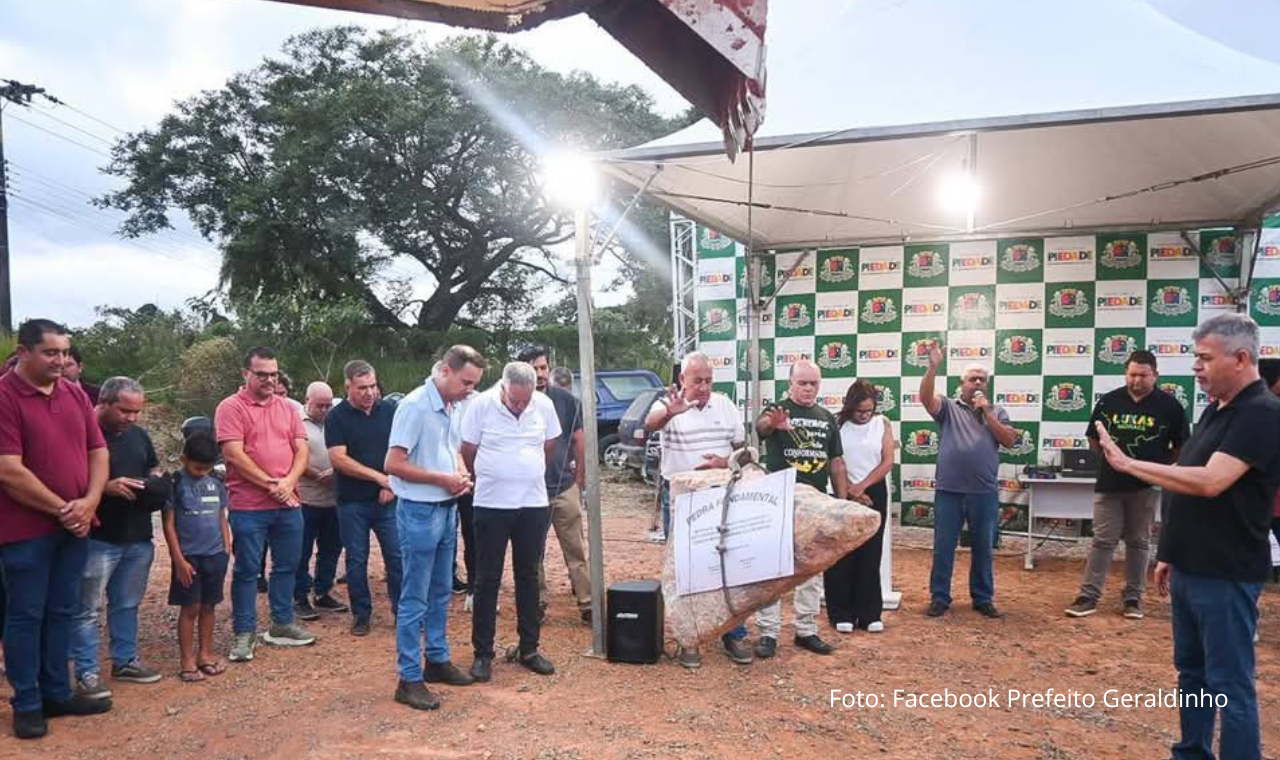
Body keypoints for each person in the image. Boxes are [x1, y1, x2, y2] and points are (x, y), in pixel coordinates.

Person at [1094, 313, 1280, 760]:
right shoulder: (1216, 409)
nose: (1195, 367)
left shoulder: (1262, 413)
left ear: (1240, 359)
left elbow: (1210, 481)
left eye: (1204, 358)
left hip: (1226, 572)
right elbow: (1185, 478)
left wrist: (1130, 464)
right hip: (1191, 566)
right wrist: (1170, 551)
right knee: (1192, 675)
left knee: (1229, 684)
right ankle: (1192, 752)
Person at [0, 319, 112, 739]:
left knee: (62, 610)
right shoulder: (5, 396)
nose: (61, 361)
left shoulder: (74, 393)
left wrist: (90, 502)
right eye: (51, 352)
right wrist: (64, 508)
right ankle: (27, 703)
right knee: (26, 614)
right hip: (24, 529)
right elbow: (8, 470)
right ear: (24, 350)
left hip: (76, 527)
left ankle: (56, 692)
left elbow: (97, 450)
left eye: (65, 353)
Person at [385, 346, 485, 711]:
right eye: (466, 382)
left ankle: (437, 659)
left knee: (443, 590)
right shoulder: (413, 407)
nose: (469, 390)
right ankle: (409, 678)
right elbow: (393, 463)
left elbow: (454, 448)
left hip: (445, 510)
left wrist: (459, 473)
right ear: (445, 370)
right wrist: (441, 479)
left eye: (474, 384)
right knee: (415, 596)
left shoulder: (452, 406)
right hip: (419, 512)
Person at [643, 352, 750, 667]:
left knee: (729, 565)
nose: (703, 387)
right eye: (697, 380)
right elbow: (649, 427)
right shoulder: (668, 404)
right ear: (682, 380)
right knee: (684, 568)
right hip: (680, 499)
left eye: (708, 381)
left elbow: (743, 453)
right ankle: (689, 639)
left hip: (721, 498)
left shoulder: (726, 406)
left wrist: (725, 462)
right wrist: (669, 415)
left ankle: (734, 633)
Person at [1066, 350, 1188, 620]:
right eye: (1132, 374)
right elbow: (1093, 440)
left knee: (1138, 542)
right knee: (1102, 541)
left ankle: (1134, 598)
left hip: (1145, 486)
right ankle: (1088, 596)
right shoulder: (1109, 401)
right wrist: (1113, 462)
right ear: (1125, 373)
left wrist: (1156, 468)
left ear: (1155, 375)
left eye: (1143, 375)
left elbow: (1181, 446)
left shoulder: (1170, 406)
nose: (1136, 380)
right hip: (1109, 485)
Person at [215, 346, 317, 664]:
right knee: (247, 570)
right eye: (262, 374)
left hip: (289, 503)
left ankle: (282, 623)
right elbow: (234, 454)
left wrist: (287, 484)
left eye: (273, 374)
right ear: (246, 374)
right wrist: (272, 485)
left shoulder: (288, 407)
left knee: (287, 566)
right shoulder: (230, 408)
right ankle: (244, 632)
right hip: (249, 505)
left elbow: (302, 450)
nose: (269, 379)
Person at [461, 362, 561, 683]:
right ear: (502, 388)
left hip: (532, 504)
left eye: (525, 400)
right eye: (515, 400)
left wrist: (528, 471)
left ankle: (529, 648)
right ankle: (483, 654)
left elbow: (549, 445)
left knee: (528, 576)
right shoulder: (480, 406)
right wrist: (489, 477)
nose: (520, 406)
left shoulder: (543, 405)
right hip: (491, 504)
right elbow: (468, 450)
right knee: (487, 579)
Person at [70, 377, 166, 699]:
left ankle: (124, 660)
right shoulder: (83, 433)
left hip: (137, 536)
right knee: (87, 608)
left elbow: (153, 467)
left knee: (126, 604)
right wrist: (105, 488)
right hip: (98, 537)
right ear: (104, 402)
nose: (132, 418)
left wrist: (154, 482)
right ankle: (86, 672)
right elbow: (67, 480)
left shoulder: (138, 435)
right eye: (125, 410)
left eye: (137, 411)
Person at [753, 359, 847, 659]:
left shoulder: (827, 417)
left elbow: (836, 462)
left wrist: (841, 502)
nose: (808, 389)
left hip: (816, 502)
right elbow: (760, 428)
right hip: (779, 499)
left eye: (813, 384)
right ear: (790, 383)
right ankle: (768, 632)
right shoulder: (777, 409)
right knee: (772, 568)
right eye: (802, 383)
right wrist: (773, 423)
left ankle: (806, 630)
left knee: (811, 567)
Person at [918, 346, 1018, 619]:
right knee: (943, 547)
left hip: (983, 492)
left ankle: (982, 598)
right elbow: (926, 399)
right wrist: (932, 368)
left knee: (984, 548)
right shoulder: (949, 408)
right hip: (949, 490)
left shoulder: (997, 411)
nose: (976, 383)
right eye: (971, 379)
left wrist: (988, 413)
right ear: (961, 384)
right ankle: (940, 597)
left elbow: (1008, 440)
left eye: (981, 380)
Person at [517, 347, 592, 626]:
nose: (540, 374)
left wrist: (580, 479)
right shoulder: (514, 400)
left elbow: (580, 440)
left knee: (575, 549)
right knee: (532, 552)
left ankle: (587, 604)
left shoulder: (565, 400)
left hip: (563, 486)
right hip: (529, 491)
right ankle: (536, 603)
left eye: (543, 367)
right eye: (534, 368)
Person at [327, 361, 402, 636]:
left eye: (372, 386)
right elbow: (339, 459)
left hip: (388, 499)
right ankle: (361, 614)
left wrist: (391, 483)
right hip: (352, 502)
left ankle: (401, 611)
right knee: (357, 559)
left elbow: (402, 449)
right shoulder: (337, 417)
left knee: (396, 556)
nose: (370, 392)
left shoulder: (390, 411)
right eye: (362, 388)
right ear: (348, 387)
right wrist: (378, 477)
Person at [161, 431, 232, 683]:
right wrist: (178, 559)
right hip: (189, 557)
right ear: (183, 458)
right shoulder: (175, 483)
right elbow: (169, 524)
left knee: (209, 605)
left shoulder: (216, 482)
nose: (201, 472)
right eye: (197, 466)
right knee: (190, 607)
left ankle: (205, 653)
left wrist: (225, 547)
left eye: (207, 467)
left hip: (215, 554)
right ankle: (187, 659)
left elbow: (221, 515)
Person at [828, 379, 894, 634]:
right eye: (860, 411)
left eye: (869, 410)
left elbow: (887, 461)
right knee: (842, 553)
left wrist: (863, 486)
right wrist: (851, 492)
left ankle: (868, 613)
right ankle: (840, 611)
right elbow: (835, 460)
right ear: (849, 406)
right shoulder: (836, 424)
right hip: (842, 490)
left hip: (873, 490)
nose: (865, 415)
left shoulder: (882, 423)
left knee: (870, 552)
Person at [294, 382, 348, 621]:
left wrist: (337, 472)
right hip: (306, 498)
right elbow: (292, 455)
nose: (325, 409)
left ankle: (323, 591)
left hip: (334, 499)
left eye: (328, 405)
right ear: (307, 400)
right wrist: (315, 474)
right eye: (320, 405)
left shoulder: (337, 419)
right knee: (301, 550)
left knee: (331, 548)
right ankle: (300, 596)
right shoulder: (296, 421)